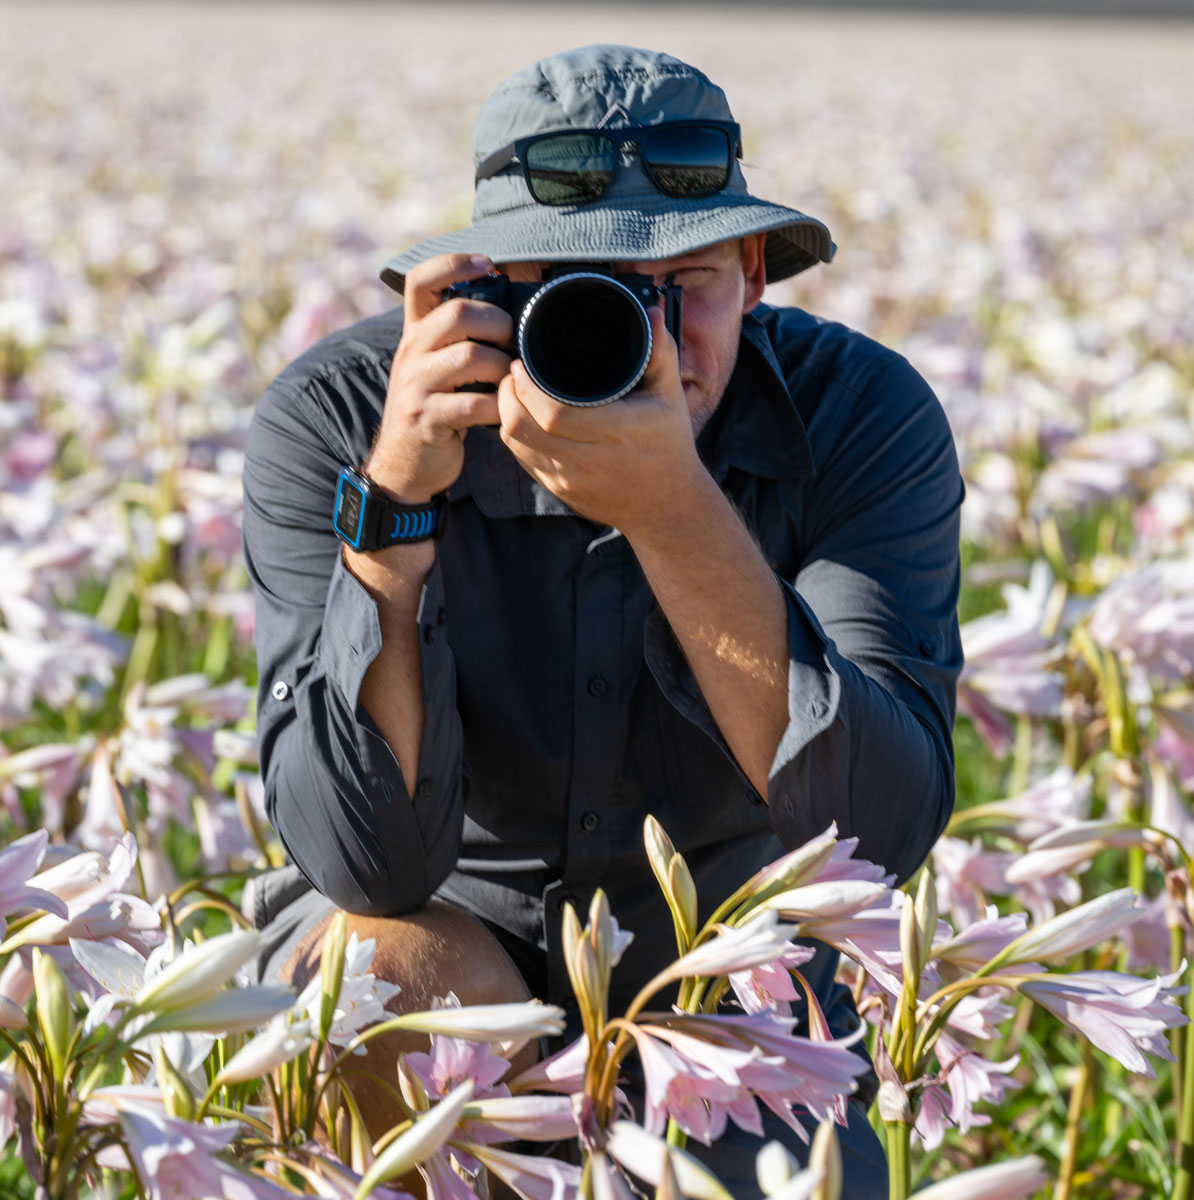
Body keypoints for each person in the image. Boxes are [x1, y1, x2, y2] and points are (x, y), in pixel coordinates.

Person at [242, 44, 963, 1197]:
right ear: (480, 292)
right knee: (382, 975)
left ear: (759, 280)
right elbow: (364, 862)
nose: (648, 338)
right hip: (439, 920)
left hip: (732, 951)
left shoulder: (858, 416)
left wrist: (676, 514)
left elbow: (875, 832)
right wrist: (392, 510)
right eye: (575, 293)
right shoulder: (346, 416)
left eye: (692, 286)